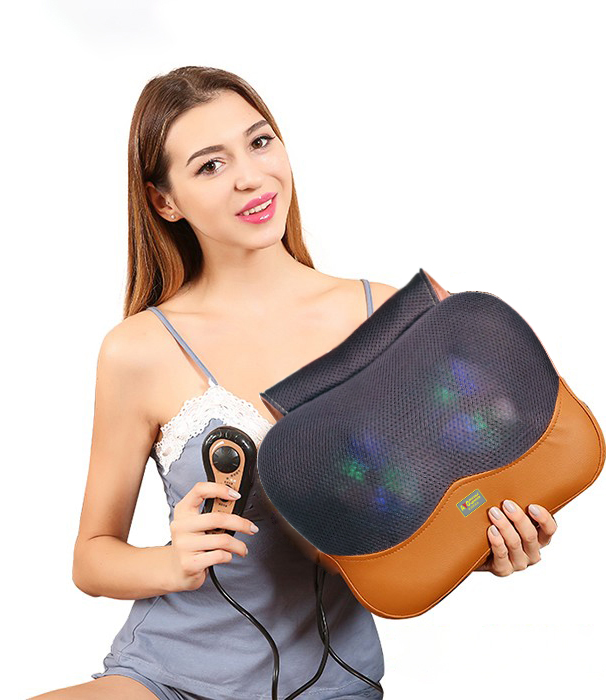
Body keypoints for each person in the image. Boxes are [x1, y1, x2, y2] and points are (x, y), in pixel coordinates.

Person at [28, 65, 557, 700]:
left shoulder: (387, 316)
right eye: (210, 165)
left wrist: (485, 548)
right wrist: (172, 561)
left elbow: (441, 504)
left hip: (334, 684)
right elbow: (92, 557)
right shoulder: (138, 350)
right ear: (165, 201)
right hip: (166, 677)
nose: (250, 177)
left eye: (259, 142)